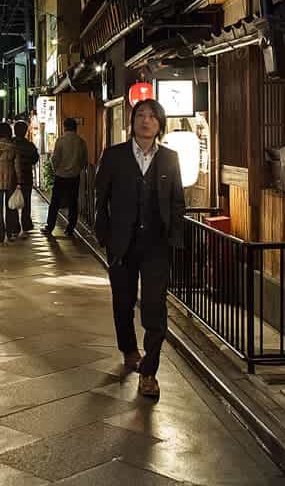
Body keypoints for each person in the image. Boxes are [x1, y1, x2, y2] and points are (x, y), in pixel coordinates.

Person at [94, 99, 185, 399]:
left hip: (157, 244)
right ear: (132, 122)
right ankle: (129, 349)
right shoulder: (114, 155)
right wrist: (104, 233)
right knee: (122, 301)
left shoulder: (170, 158)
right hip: (122, 242)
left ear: (160, 124)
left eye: (152, 117)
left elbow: (176, 201)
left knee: (155, 307)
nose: (146, 121)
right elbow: (101, 196)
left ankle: (149, 372)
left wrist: (176, 238)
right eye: (141, 116)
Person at [42, 117, 87, 237]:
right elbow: (84, 160)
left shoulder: (60, 141)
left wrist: (56, 169)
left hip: (61, 175)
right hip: (74, 176)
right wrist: (78, 169)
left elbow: (55, 158)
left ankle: (49, 226)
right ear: (75, 128)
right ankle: (70, 228)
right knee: (73, 202)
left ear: (64, 127)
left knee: (55, 202)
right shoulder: (80, 141)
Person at [12, 120, 39, 235]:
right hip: (26, 176)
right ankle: (26, 223)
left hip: (13, 177)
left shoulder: (10, 144)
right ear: (25, 131)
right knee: (26, 201)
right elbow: (35, 159)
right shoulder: (30, 145)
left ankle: (14, 225)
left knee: (12, 200)